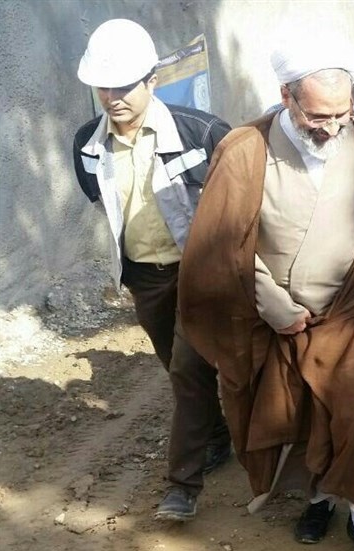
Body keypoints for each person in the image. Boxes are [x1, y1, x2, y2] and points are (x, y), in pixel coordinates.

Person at [177, 39, 354, 551]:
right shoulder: (245, 149)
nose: (332, 127)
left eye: (342, 113)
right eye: (318, 116)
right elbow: (224, 244)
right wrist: (274, 307)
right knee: (304, 416)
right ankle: (320, 499)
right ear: (286, 96)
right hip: (281, 316)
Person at [72, 19, 231, 522]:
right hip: (145, 278)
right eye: (104, 86)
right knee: (180, 368)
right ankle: (218, 434)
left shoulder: (203, 132)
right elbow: (104, 204)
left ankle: (182, 487)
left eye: (124, 85)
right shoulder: (87, 144)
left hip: (198, 275)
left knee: (187, 369)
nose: (113, 97)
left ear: (152, 81)